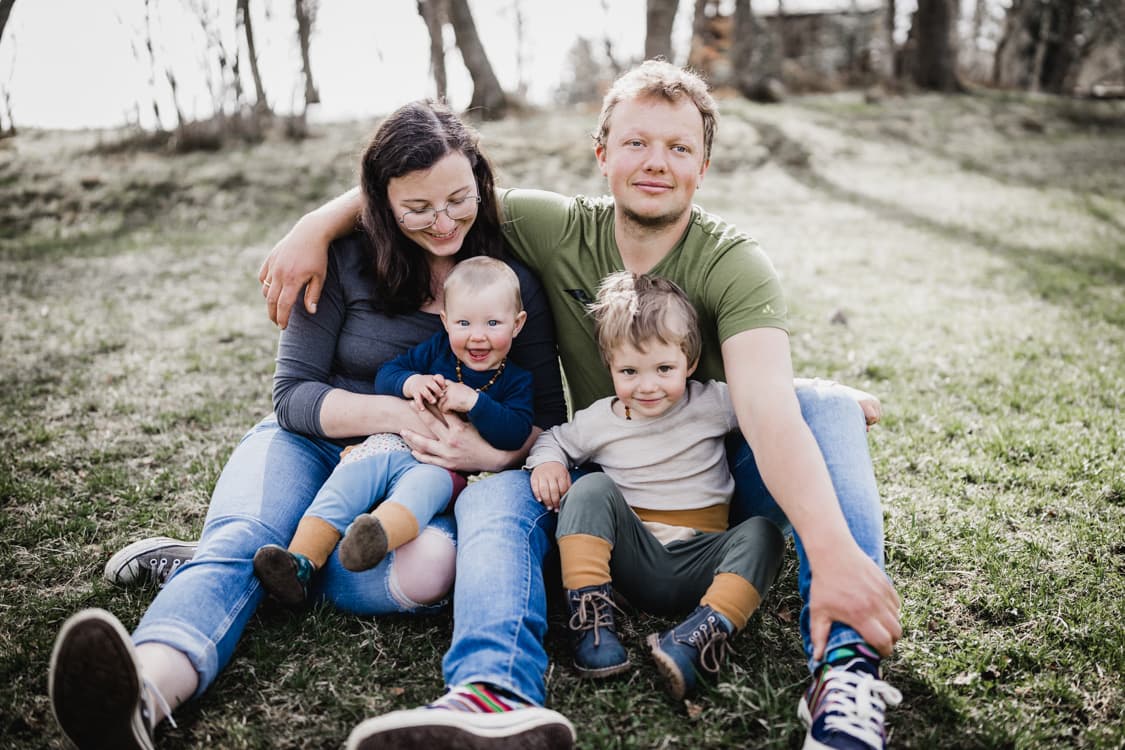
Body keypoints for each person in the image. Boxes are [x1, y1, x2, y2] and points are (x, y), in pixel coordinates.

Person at [262, 60, 903, 750]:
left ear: (704, 166)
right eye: (635, 142)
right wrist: (313, 226)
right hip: (603, 490)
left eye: (678, 147)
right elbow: (428, 189)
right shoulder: (555, 227)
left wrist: (830, 549)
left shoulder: (735, 263)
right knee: (493, 496)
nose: (655, 162)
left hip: (719, 492)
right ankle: (490, 691)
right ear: (601, 154)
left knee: (824, 406)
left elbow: (768, 413)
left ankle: (844, 673)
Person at [46, 100, 573, 750]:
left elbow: (544, 416)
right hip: (314, 446)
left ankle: (266, 569)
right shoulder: (342, 260)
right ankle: (146, 692)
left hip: (423, 477)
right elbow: (292, 397)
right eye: (417, 209)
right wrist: (399, 414)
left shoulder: (509, 282)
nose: (443, 221)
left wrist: (483, 453)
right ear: (378, 203)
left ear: (481, 185)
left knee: (434, 562)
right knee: (245, 535)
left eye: (459, 200)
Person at [528, 271, 785, 699]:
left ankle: (701, 634)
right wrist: (548, 463)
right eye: (629, 370)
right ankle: (593, 621)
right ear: (609, 365)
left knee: (764, 534)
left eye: (664, 368)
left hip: (703, 561)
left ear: (690, 360)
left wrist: (833, 397)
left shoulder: (712, 402)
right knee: (590, 489)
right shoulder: (601, 420)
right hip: (631, 561)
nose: (647, 386)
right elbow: (553, 439)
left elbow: (771, 395)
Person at [253, 256, 535, 606]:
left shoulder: (517, 381)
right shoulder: (438, 350)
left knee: (423, 487)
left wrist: (476, 403)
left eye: (493, 323)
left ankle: (374, 538)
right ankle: (301, 561)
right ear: (445, 322)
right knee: (353, 476)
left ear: (518, 324)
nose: (477, 337)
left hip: (443, 467)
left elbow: (516, 432)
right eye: (463, 323)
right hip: (392, 442)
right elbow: (387, 374)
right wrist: (411, 382)